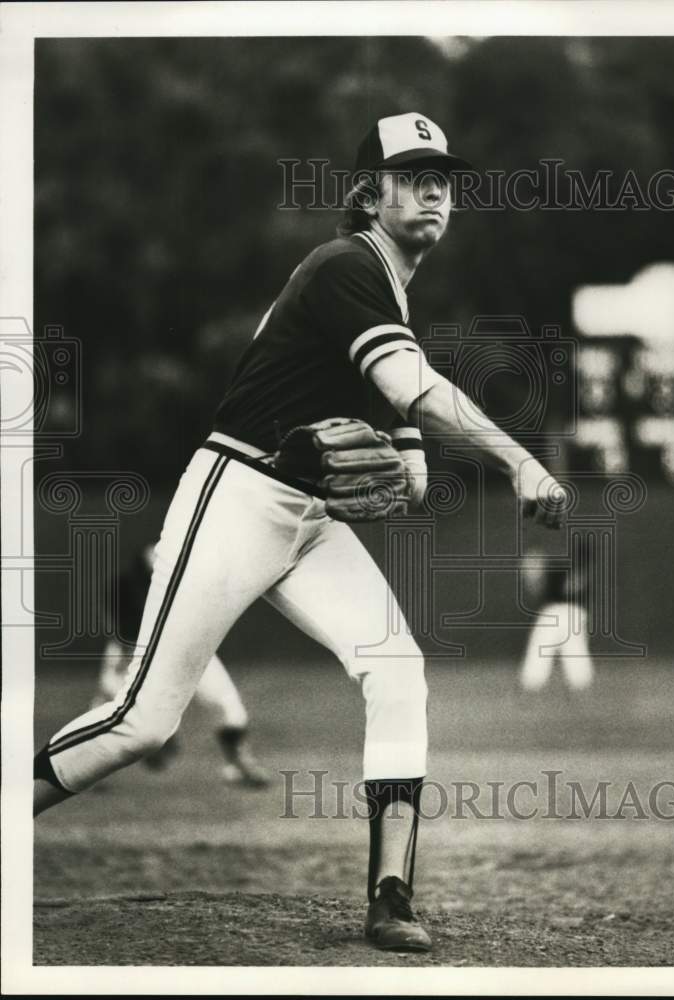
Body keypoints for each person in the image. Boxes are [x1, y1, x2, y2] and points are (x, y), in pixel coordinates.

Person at [33, 113, 567, 952]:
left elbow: (388, 390)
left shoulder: (384, 282)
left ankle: (391, 895)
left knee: (396, 667)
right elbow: (410, 381)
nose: (434, 188)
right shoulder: (346, 263)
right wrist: (518, 462)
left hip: (311, 520)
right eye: (412, 173)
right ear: (369, 194)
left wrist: (412, 447)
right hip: (238, 494)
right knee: (145, 722)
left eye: (445, 177)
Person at [94, 544, 271, 785]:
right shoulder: (127, 587)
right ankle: (88, 769)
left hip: (186, 644)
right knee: (108, 708)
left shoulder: (195, 577)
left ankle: (239, 763)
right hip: (136, 648)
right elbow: (126, 636)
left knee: (225, 702)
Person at [519, 546, 593, 692]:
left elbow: (539, 588)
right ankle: (581, 683)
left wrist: (534, 572)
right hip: (575, 613)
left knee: (540, 647)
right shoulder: (583, 574)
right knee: (575, 650)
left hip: (553, 612)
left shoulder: (557, 568)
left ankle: (531, 683)